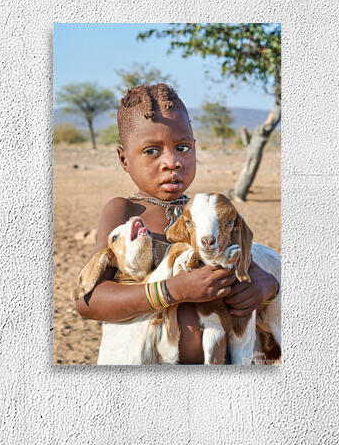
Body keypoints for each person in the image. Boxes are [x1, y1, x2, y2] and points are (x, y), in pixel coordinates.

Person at [73, 83, 279, 364]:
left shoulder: (202, 212)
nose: (172, 162)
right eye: (152, 151)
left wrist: (266, 288)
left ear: (195, 148)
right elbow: (90, 301)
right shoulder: (124, 211)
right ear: (123, 158)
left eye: (182, 148)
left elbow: (246, 266)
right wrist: (173, 290)